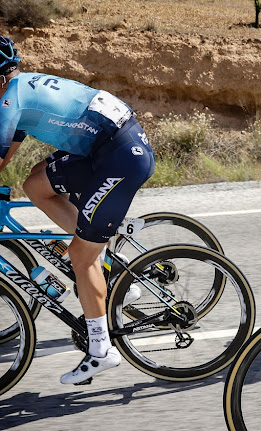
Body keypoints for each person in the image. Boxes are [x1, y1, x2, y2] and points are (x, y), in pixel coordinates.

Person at [0, 36, 155, 384]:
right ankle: (110, 273)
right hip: (105, 149)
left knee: (81, 257)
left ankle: (102, 351)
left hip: (119, 156)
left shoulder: (9, 100)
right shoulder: (18, 93)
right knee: (36, 184)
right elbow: (5, 157)